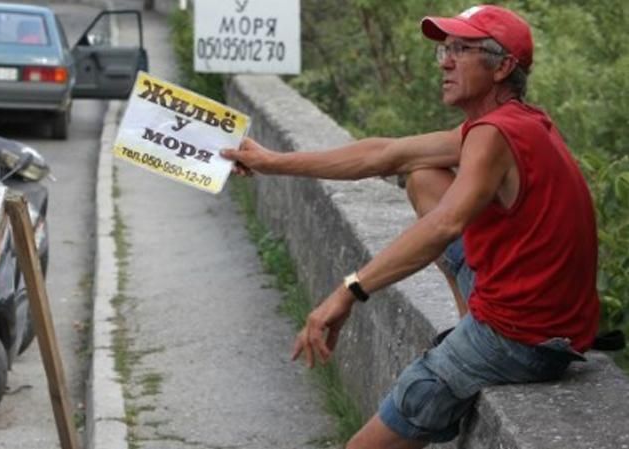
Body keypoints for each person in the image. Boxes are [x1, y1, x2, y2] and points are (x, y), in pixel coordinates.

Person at [221, 5, 599, 448]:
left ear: (504, 67)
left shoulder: (495, 135)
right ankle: (468, 318)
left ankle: (470, 339)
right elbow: (384, 154)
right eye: (445, 49)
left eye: (462, 49)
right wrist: (270, 162)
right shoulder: (507, 124)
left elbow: (444, 226)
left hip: (519, 340)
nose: (445, 61)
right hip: (551, 326)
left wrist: (348, 291)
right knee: (423, 176)